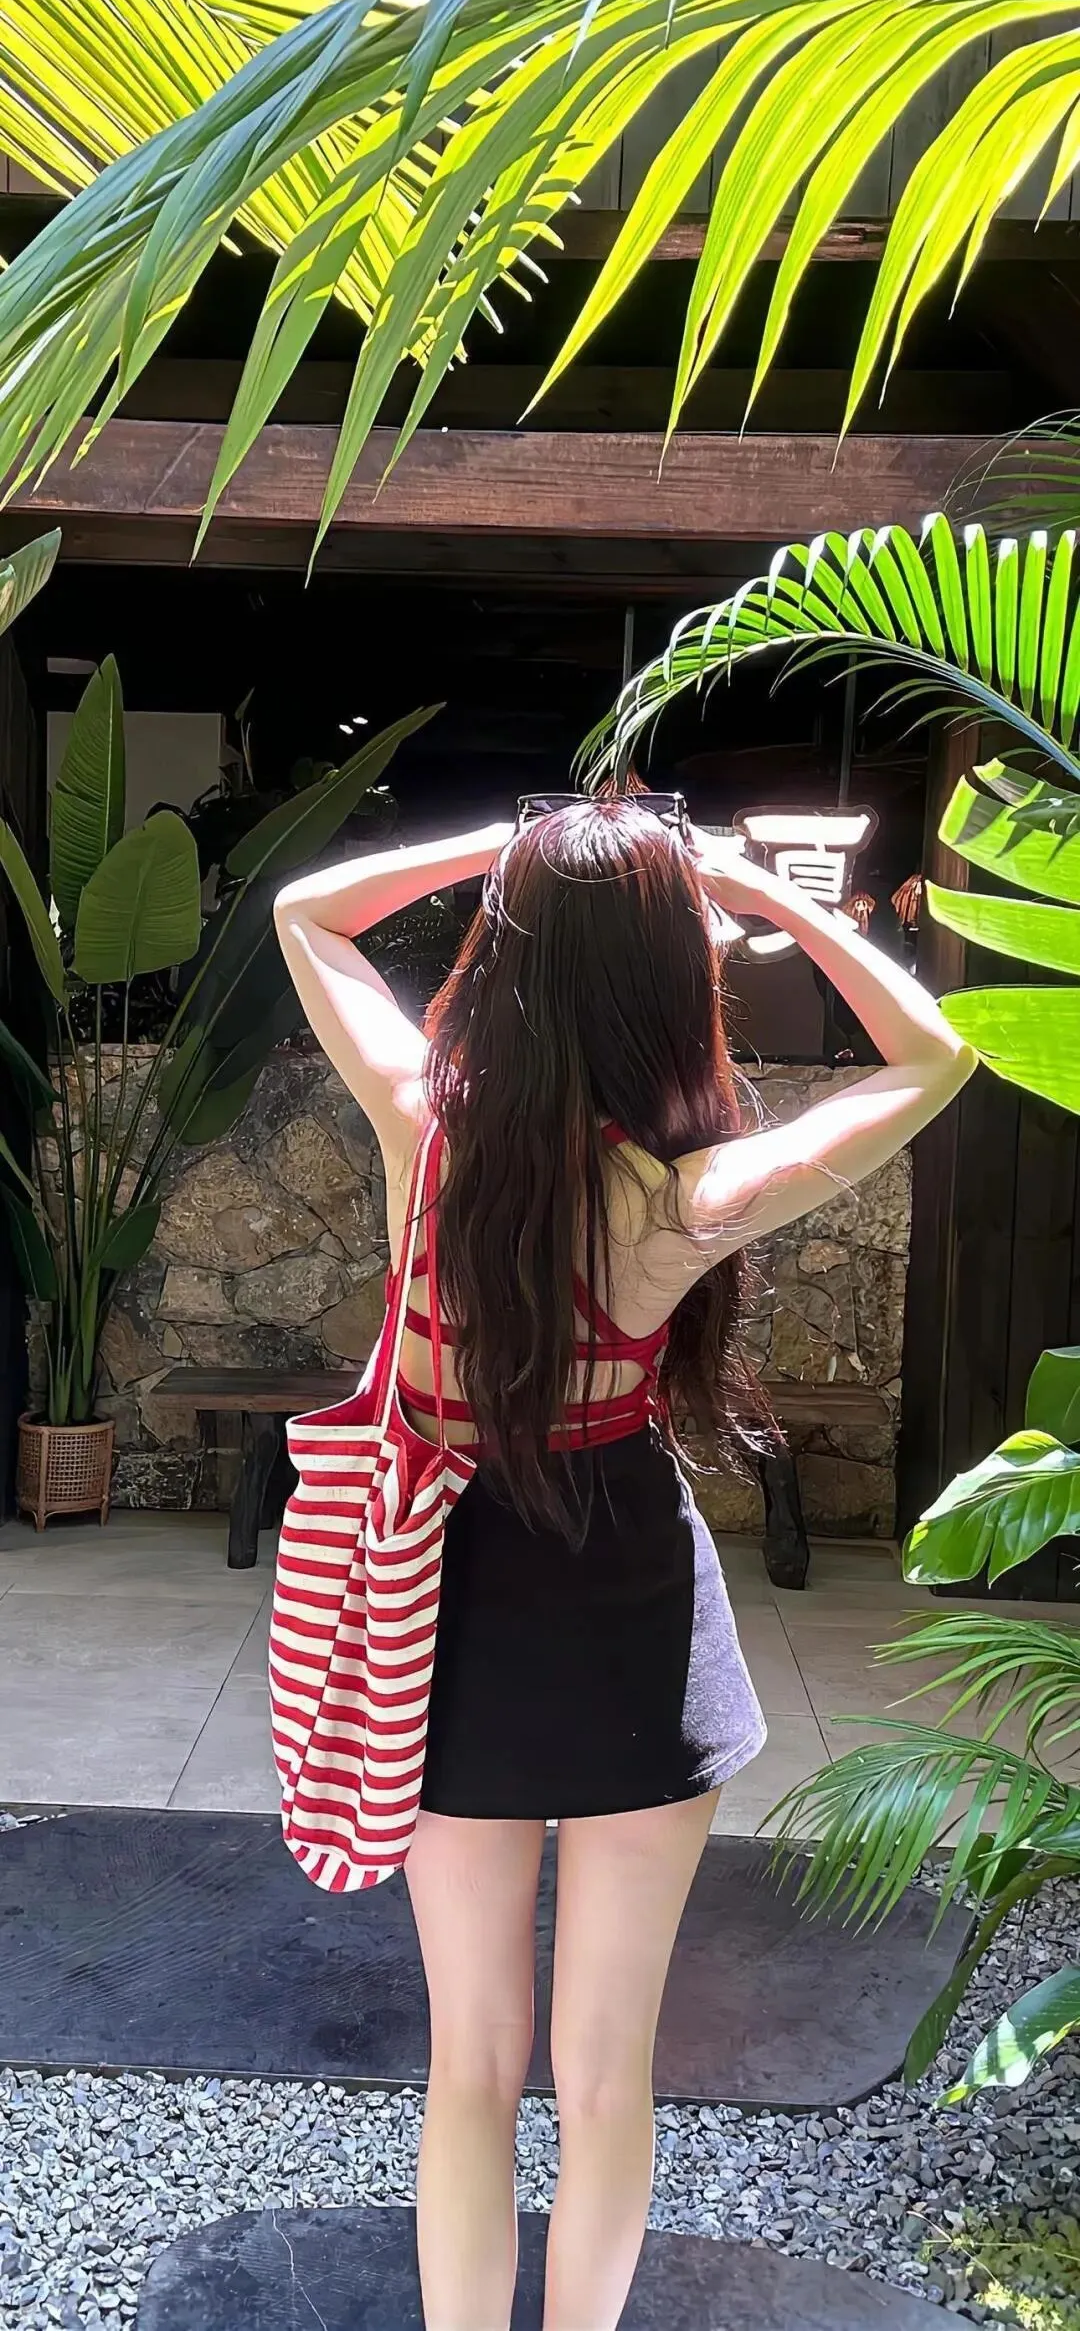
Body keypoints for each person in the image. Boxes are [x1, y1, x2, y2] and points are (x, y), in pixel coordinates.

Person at [274, 793, 974, 2331]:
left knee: (472, 2065)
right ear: (672, 975)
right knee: (607, 2078)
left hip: (444, 1625)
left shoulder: (424, 1129)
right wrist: (769, 900)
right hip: (637, 1626)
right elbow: (935, 1058)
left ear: (509, 950)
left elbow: (305, 914)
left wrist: (511, 853)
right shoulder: (685, 1196)